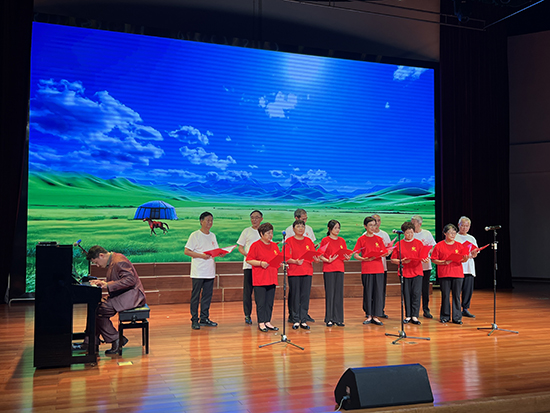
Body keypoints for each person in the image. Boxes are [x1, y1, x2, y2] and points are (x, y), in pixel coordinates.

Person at [86, 245, 147, 354]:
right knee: (96, 307)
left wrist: (107, 284)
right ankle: (91, 341)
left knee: (100, 309)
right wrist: (103, 282)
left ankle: (116, 339)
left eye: (96, 262)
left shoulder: (119, 261)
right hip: (124, 294)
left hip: (133, 296)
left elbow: (130, 280)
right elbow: (118, 278)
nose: (98, 266)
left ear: (101, 255)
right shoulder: (113, 259)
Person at [184, 211, 219, 330]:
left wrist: (221, 253)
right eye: (208, 220)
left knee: (207, 296)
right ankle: (194, 319)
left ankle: (204, 318)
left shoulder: (213, 236)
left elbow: (215, 251)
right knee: (196, 296)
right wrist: (201, 256)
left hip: (210, 271)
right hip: (198, 271)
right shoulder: (195, 235)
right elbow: (187, 251)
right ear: (201, 221)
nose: (210, 222)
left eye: (211, 220)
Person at [430, 224, 468, 324]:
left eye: (454, 233)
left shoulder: (459, 245)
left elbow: (463, 259)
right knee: (445, 295)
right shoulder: (439, 245)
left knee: (456, 296)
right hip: (444, 273)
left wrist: (465, 258)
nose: (452, 235)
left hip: (457, 273)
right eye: (450, 233)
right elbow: (433, 259)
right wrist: (443, 262)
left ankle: (457, 317)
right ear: (445, 233)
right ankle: (445, 316)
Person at [246, 222, 281, 332]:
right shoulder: (255, 245)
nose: (270, 235)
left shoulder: (274, 246)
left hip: (272, 277)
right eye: (268, 233)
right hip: (260, 278)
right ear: (261, 234)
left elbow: (278, 258)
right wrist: (260, 263)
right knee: (261, 302)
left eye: (272, 233)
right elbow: (249, 260)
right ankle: (261, 322)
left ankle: (268, 321)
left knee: (269, 302)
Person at [390, 222, 427, 325]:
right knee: (406, 294)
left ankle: (415, 316)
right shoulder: (399, 244)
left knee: (416, 293)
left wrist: (425, 259)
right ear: (403, 233)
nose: (410, 235)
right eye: (407, 233)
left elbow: (423, 256)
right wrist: (401, 261)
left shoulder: (419, 243)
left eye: (411, 232)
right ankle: (408, 315)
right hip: (405, 272)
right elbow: (393, 259)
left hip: (417, 271)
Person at [354, 216, 387, 326]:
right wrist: (363, 259)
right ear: (365, 226)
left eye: (374, 225)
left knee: (378, 292)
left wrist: (385, 253)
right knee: (368, 292)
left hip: (378, 269)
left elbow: (384, 252)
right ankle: (368, 315)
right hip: (367, 268)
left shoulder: (379, 239)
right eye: (370, 225)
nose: (373, 227)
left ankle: (376, 316)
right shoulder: (361, 239)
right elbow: (355, 254)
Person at [285, 208, 316, 323]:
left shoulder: (308, 241)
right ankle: (294, 317)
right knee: (295, 295)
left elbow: (313, 255)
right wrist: (295, 261)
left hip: (307, 270)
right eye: (298, 226)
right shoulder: (289, 240)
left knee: (305, 296)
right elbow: (286, 257)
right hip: (294, 271)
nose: (301, 228)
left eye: (302, 226)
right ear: (293, 229)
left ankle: (303, 317)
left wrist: (316, 258)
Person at [320, 219, 350, 327]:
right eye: (335, 228)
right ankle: (329, 318)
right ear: (329, 229)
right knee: (330, 294)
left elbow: (344, 254)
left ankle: (338, 318)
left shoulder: (342, 240)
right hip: (329, 269)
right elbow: (320, 255)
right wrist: (327, 260)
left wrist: (347, 257)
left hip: (340, 268)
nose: (337, 230)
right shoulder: (325, 240)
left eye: (338, 228)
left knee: (338, 294)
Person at [237, 210, 263, 325]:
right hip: (249, 266)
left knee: (260, 292)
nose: (254, 220)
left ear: (261, 219)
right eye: (252, 217)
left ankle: (261, 316)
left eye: (257, 217)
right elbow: (240, 247)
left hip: (261, 267)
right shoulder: (246, 231)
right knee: (248, 292)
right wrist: (249, 256)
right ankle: (247, 315)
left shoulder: (264, 232)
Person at [411, 215, 437, 319]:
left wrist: (427, 252)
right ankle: (413, 312)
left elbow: (433, 247)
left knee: (425, 289)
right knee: (414, 290)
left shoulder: (427, 233)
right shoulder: (410, 234)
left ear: (420, 224)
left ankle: (426, 309)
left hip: (425, 265)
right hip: (413, 266)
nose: (412, 225)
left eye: (413, 223)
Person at [455, 216, 480, 318]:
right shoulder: (454, 236)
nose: (464, 228)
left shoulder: (471, 238)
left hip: (469, 267)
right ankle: (456, 309)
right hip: (458, 266)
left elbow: (475, 253)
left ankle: (465, 309)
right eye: (462, 225)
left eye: (467, 226)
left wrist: (474, 253)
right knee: (457, 290)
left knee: (468, 289)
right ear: (458, 225)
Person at [372, 214, 391, 318]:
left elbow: (389, 248)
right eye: (374, 221)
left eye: (378, 220)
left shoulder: (384, 234)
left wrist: (388, 252)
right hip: (370, 267)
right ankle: (370, 311)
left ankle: (380, 310)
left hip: (382, 266)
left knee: (381, 290)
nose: (377, 223)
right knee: (371, 289)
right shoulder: (366, 234)